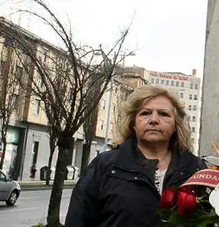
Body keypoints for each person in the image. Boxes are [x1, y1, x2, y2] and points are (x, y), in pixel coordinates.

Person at [65, 85, 205, 227]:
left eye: (163, 114)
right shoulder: (105, 166)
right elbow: (78, 220)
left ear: (176, 124)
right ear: (133, 123)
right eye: (145, 113)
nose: (154, 120)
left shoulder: (195, 169)